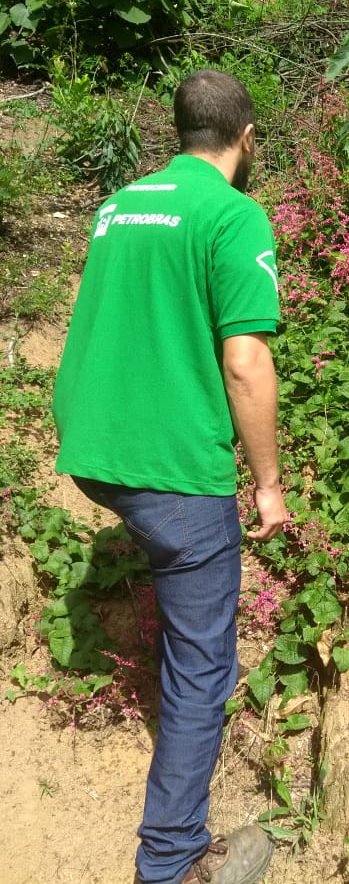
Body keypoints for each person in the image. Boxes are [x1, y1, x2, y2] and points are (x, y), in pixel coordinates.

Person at [53, 69, 287, 884]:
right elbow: (246, 362)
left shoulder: (119, 205)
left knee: (180, 583)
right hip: (173, 469)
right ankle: (172, 859)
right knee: (201, 662)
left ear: (180, 131)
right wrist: (268, 484)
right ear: (245, 137)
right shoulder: (232, 213)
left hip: (96, 451)